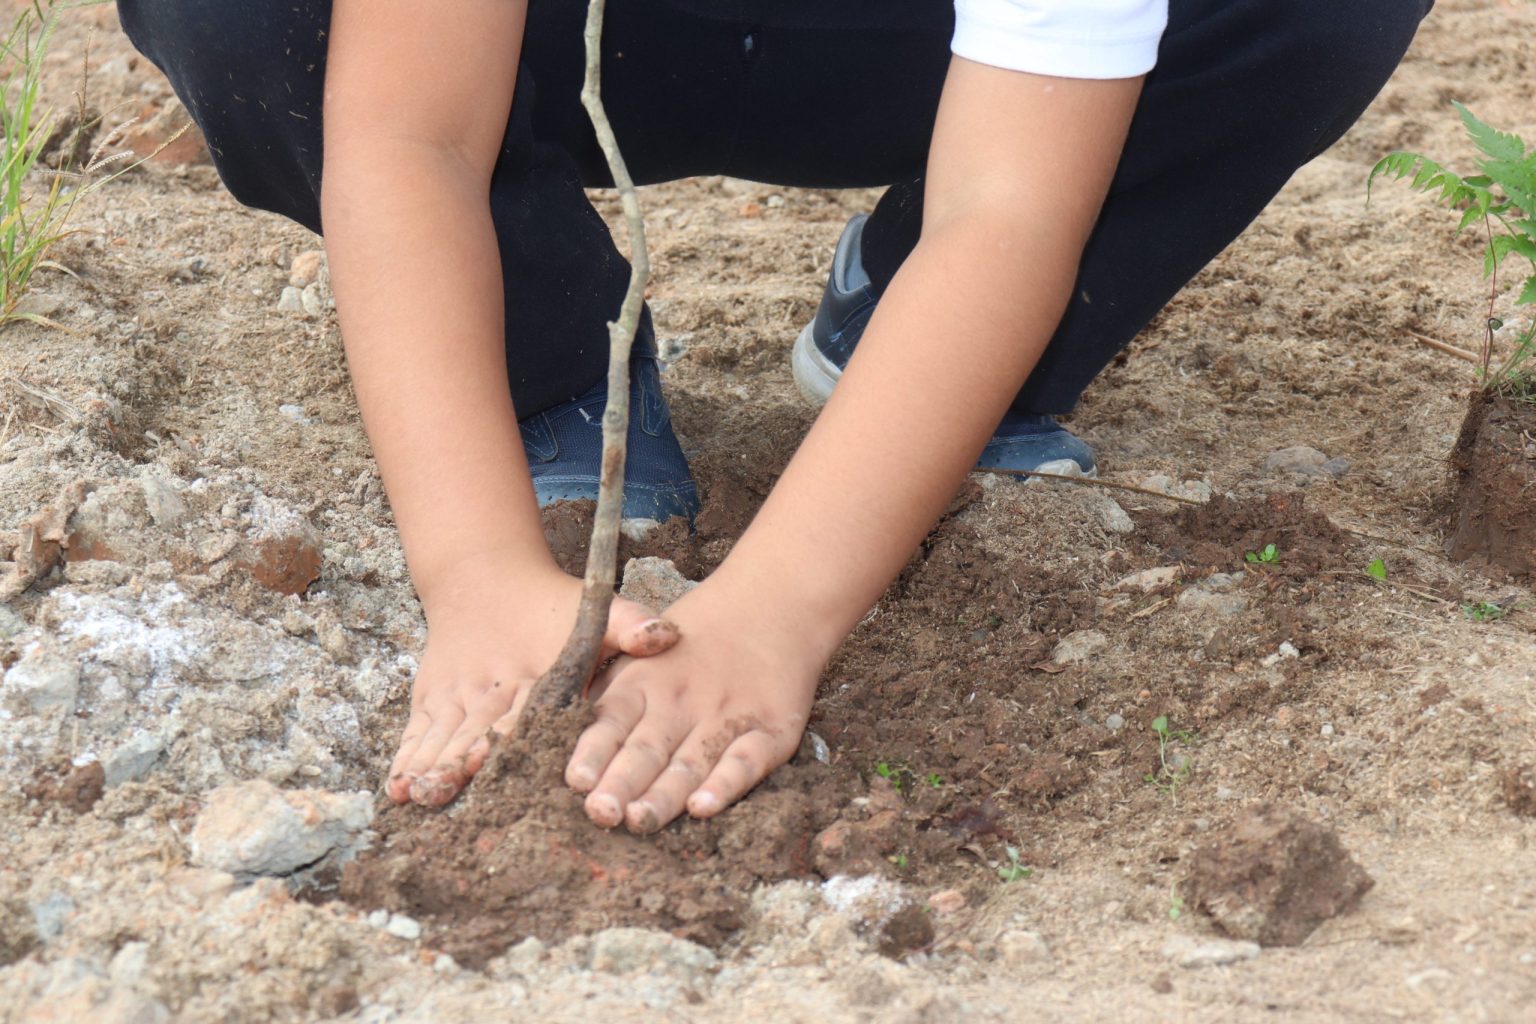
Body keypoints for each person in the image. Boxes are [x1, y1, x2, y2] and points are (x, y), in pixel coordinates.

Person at [118, 0, 1431, 834]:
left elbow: (1007, 211)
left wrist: (774, 614)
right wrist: (471, 573)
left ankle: (909, 345)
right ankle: (552, 362)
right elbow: (413, 134)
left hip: (911, 51)